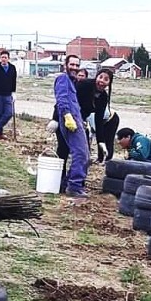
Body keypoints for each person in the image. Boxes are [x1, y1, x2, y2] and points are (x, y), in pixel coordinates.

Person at [54, 55, 89, 198]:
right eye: (72, 64)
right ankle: (74, 186)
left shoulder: (72, 82)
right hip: (70, 120)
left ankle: (68, 183)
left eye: (76, 65)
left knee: (84, 154)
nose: (74, 67)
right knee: (81, 154)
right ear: (65, 65)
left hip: (76, 120)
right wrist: (67, 115)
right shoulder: (62, 78)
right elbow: (61, 99)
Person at [76, 69, 120, 163]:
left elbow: (98, 120)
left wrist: (101, 141)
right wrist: (56, 118)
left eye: (106, 79)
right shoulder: (84, 85)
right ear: (96, 77)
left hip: (110, 119)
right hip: (69, 116)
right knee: (66, 147)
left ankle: (103, 159)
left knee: (105, 141)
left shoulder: (103, 97)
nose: (102, 81)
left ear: (109, 83)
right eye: (100, 77)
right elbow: (68, 100)